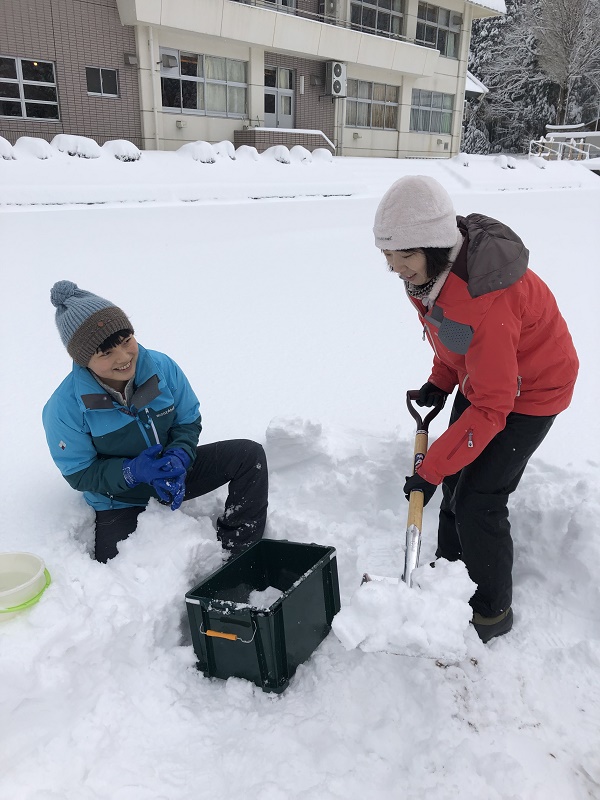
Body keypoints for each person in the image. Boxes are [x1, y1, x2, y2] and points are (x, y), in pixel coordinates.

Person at [373, 176, 578, 643]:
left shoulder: (486, 297)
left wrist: (430, 468)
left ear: (438, 246)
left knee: (478, 500)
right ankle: (450, 573)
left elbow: (492, 405)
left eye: (405, 256)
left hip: (532, 391)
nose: (396, 268)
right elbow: (453, 335)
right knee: (454, 479)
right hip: (488, 377)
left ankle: (490, 611)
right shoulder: (431, 276)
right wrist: (441, 380)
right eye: (388, 257)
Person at [43, 280, 268, 563]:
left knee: (248, 456)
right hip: (120, 499)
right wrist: (133, 471)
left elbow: (188, 418)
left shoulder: (161, 368)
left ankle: (240, 554)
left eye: (126, 341)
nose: (124, 357)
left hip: (175, 473)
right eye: (106, 353)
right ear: (84, 359)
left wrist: (180, 454)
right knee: (119, 576)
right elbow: (79, 473)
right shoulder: (64, 408)